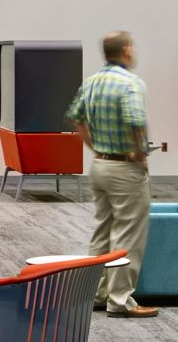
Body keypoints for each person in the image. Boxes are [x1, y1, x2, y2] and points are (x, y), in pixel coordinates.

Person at [68, 31, 160, 318]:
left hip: (99, 165)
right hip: (124, 167)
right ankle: (120, 300)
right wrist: (140, 154)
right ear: (127, 50)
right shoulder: (131, 83)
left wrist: (94, 146)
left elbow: (76, 118)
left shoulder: (92, 82)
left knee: (102, 231)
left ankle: (96, 294)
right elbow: (135, 121)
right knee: (128, 235)